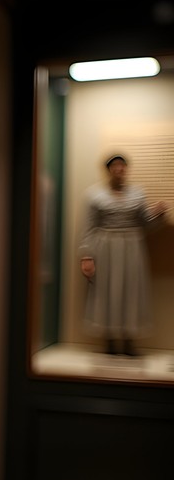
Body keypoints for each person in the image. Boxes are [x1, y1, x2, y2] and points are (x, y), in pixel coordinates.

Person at [79, 153, 169, 357]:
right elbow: (89, 227)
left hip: (132, 247)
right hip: (105, 247)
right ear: (108, 170)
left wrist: (158, 215)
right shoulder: (94, 194)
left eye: (122, 166)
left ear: (126, 169)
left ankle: (129, 342)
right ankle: (110, 341)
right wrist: (86, 256)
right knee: (107, 291)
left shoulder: (138, 193)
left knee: (131, 291)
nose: (119, 169)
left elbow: (145, 224)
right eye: (115, 166)